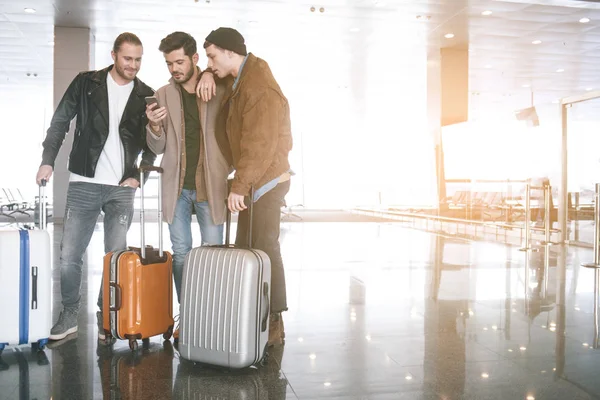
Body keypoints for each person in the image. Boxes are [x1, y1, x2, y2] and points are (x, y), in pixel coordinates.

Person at [35, 32, 156, 342]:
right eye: (128, 58)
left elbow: (154, 141)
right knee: (69, 255)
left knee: (115, 256)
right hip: (84, 182)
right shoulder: (86, 83)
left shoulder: (146, 94)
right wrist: (48, 159)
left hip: (121, 188)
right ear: (114, 55)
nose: (133, 65)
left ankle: (109, 315)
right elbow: (60, 122)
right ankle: (70, 314)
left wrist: (138, 176)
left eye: (138, 59)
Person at [201, 27, 293, 346]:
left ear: (229, 52)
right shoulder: (242, 77)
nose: (210, 62)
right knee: (249, 248)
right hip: (257, 179)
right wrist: (207, 74)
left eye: (212, 56)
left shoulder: (258, 87)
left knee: (265, 247)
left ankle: (275, 320)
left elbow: (260, 143)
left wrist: (239, 186)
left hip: (266, 180)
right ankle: (257, 314)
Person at [145, 31, 229, 341]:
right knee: (181, 254)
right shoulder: (163, 94)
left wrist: (209, 72)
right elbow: (156, 147)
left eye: (179, 62)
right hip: (176, 187)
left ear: (195, 58)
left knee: (212, 254)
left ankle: (213, 317)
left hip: (210, 185)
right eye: (169, 64)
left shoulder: (216, 87)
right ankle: (189, 313)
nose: (174, 69)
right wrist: (154, 126)